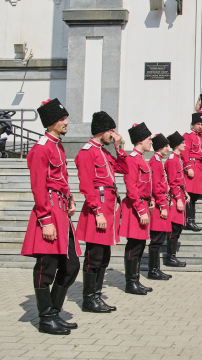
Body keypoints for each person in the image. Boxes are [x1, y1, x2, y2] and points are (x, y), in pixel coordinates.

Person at [21, 98, 79, 335]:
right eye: (62, 119)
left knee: (71, 265)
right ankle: (46, 318)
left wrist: (70, 198)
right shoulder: (41, 148)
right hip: (49, 212)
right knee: (46, 267)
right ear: (52, 121)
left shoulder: (57, 145)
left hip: (61, 210)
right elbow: (38, 186)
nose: (66, 122)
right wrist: (45, 220)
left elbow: (60, 178)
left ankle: (54, 311)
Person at [74, 111, 127, 314]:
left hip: (108, 208)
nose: (113, 135)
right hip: (98, 208)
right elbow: (87, 185)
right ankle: (89, 298)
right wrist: (97, 211)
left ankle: (95, 295)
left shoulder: (104, 152)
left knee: (104, 256)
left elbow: (124, 168)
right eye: (111, 132)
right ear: (102, 131)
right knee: (94, 255)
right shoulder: (87, 152)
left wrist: (118, 146)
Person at [117, 122, 154, 296]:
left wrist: (150, 200)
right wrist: (141, 209)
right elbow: (131, 188)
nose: (151, 142)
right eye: (149, 139)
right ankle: (130, 282)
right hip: (135, 206)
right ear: (140, 141)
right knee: (134, 245)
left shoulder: (139, 158)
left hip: (143, 203)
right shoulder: (132, 159)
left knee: (140, 244)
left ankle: (136, 280)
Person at [147, 133, 173, 281]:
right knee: (156, 240)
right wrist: (163, 205)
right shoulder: (155, 162)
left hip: (161, 202)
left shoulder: (158, 161)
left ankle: (155, 269)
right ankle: (153, 270)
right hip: (158, 205)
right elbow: (156, 187)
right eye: (166, 146)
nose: (167, 148)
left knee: (159, 239)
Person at [164, 132, 189, 267]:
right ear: (177, 145)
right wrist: (178, 198)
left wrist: (185, 193)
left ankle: (172, 256)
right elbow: (173, 182)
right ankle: (170, 257)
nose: (185, 145)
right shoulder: (172, 160)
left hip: (180, 195)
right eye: (183, 143)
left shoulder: (177, 158)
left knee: (177, 229)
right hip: (175, 197)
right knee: (174, 230)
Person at [182, 113, 202, 232]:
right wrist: (188, 167)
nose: (200, 126)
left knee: (195, 195)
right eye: (198, 124)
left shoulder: (198, 136)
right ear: (193, 124)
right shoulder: (188, 135)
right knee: (190, 195)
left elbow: (201, 152)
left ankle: (191, 219)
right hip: (192, 165)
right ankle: (188, 220)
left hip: (198, 166)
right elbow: (185, 151)